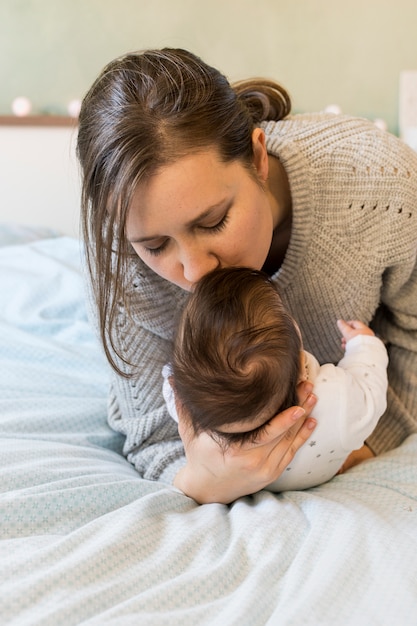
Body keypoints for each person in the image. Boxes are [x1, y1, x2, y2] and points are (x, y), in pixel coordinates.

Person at [76, 47, 417, 504]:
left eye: (213, 221)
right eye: (155, 246)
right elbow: (152, 433)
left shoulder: (379, 185)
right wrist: (202, 481)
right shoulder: (121, 265)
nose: (195, 271)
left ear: (257, 157)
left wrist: (365, 442)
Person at [162, 267, 389, 491]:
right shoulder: (338, 399)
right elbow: (370, 387)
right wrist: (363, 344)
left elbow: (174, 382)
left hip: (235, 489)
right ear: (302, 368)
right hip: (320, 477)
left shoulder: (185, 408)